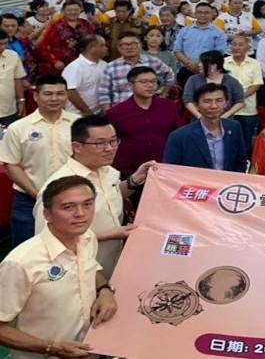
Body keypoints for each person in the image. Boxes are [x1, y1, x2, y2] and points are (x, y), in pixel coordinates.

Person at [0, 175, 118, 359]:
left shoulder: (87, 239)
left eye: (87, 204)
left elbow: (90, 267)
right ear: (47, 214)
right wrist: (52, 348)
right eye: (68, 207)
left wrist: (104, 290)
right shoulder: (20, 263)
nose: (81, 213)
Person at [33, 115, 153, 275]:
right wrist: (109, 234)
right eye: (100, 143)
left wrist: (134, 180)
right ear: (77, 146)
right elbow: (48, 241)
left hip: (111, 265)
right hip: (78, 272)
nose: (110, 148)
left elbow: (112, 196)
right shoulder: (59, 186)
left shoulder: (108, 171)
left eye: (113, 141)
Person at [0, 75, 76, 248]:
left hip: (73, 199)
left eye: (60, 94)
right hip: (28, 201)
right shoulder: (18, 128)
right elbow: (11, 164)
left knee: (70, 249)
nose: (55, 98)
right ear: (36, 96)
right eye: (48, 94)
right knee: (27, 251)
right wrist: (38, 195)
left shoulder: (78, 124)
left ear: (66, 96)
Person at [106, 66, 180, 181]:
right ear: (131, 85)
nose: (150, 85)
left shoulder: (169, 107)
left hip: (163, 169)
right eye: (144, 82)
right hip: (129, 172)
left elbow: (176, 135)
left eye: (153, 81)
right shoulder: (115, 112)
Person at [163, 83, 247, 173]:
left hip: (227, 185)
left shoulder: (234, 128)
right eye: (207, 101)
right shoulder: (179, 136)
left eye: (219, 100)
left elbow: (241, 162)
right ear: (196, 105)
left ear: (226, 103)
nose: (214, 106)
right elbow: (170, 171)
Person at [172, 1, 228, 88]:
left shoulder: (219, 33)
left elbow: (218, 53)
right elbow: (177, 50)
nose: (203, 15)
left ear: (212, 14)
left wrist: (199, 65)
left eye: (206, 13)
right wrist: (190, 64)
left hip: (208, 71)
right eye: (200, 12)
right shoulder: (184, 30)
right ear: (195, 14)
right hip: (186, 70)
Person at [223, 33, 263, 153]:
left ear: (248, 47)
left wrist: (239, 97)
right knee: (226, 143)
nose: (236, 47)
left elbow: (256, 84)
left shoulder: (255, 63)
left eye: (241, 45)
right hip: (226, 110)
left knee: (245, 143)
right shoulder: (223, 62)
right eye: (234, 44)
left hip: (247, 110)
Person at [182, 50, 246, 120]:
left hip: (225, 120)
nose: (199, 65)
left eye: (202, 63)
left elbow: (240, 101)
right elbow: (187, 100)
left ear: (214, 66)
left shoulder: (231, 81)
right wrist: (199, 116)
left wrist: (225, 116)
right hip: (199, 120)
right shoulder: (193, 80)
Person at [35, 0, 95, 75]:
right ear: (63, 11)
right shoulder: (54, 26)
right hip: (63, 67)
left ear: (80, 10)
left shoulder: (86, 24)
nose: (73, 12)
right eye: (69, 10)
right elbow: (41, 46)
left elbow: (93, 42)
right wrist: (55, 61)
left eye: (76, 10)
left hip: (85, 64)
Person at [0, 29, 27, 126]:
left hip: (8, 109)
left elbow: (17, 79)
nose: (2, 47)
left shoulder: (13, 56)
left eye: (5, 43)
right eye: (0, 44)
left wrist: (21, 100)